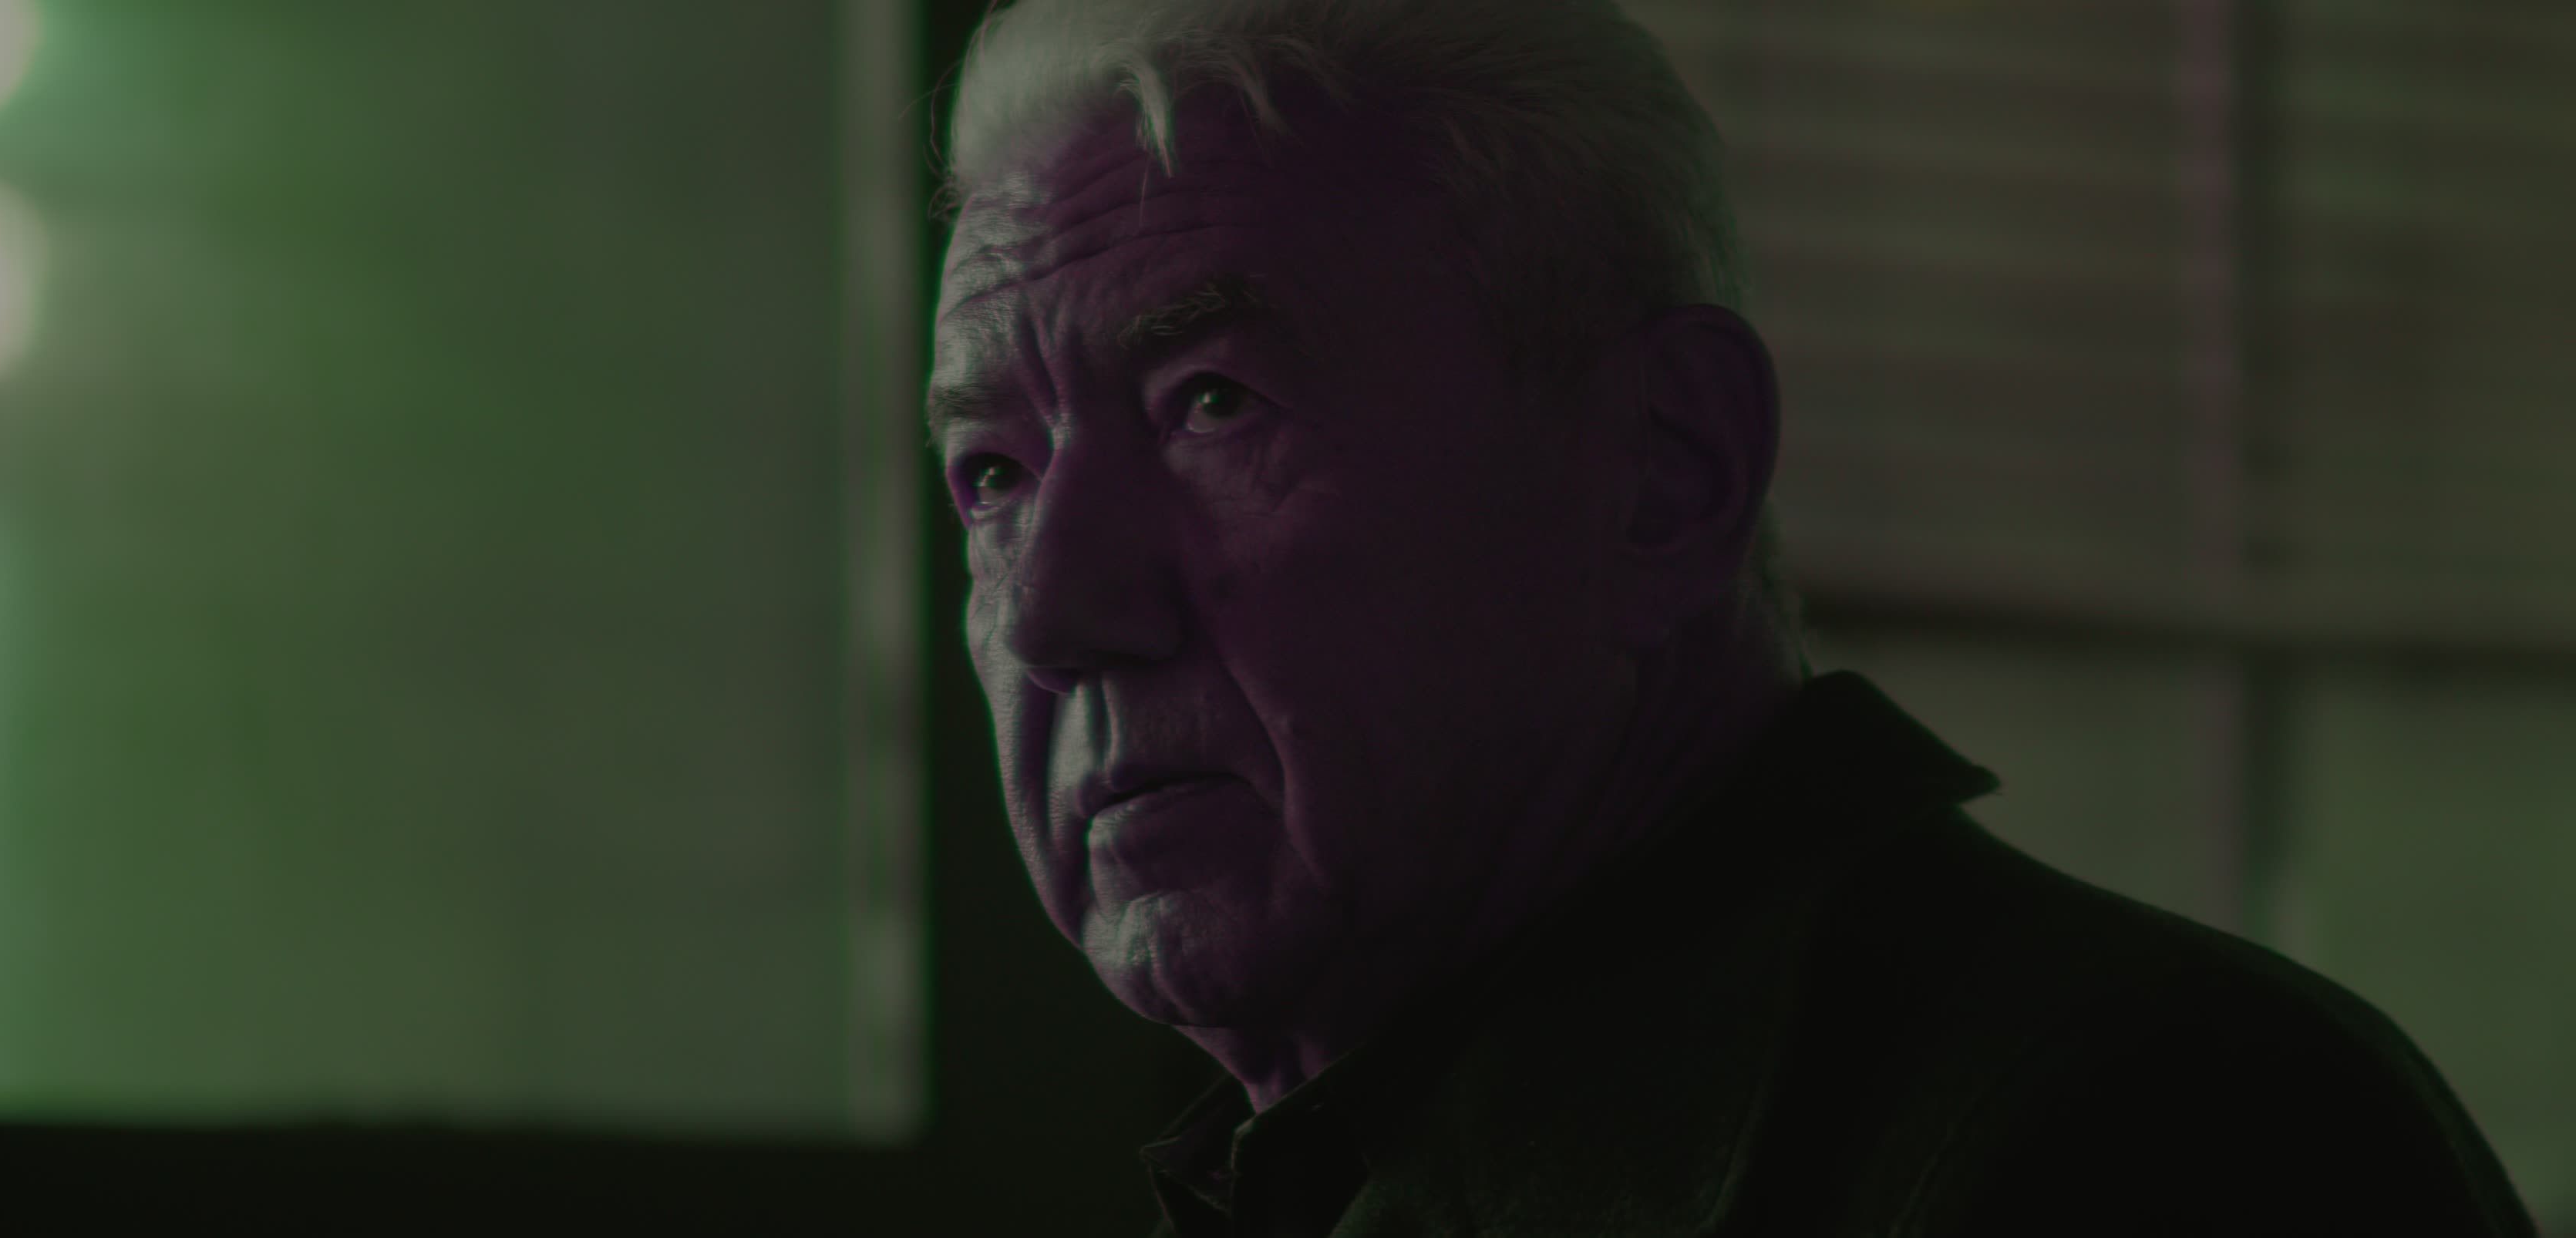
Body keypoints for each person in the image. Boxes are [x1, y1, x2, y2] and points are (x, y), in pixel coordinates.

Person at [921, 2, 2541, 1233]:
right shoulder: (1320, 1168)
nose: (1055, 610)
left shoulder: (2166, 1138)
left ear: (1667, 471)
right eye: (991, 474)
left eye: (1212, 402)